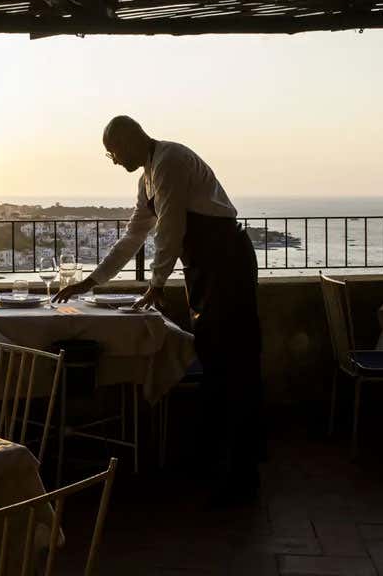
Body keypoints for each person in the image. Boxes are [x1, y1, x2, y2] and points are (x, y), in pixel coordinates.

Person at [54, 115, 263, 501]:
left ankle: (239, 470)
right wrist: (93, 280)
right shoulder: (146, 176)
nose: (114, 161)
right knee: (217, 360)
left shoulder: (169, 161)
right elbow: (135, 235)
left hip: (226, 265)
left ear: (132, 140)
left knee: (233, 364)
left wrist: (157, 284)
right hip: (205, 268)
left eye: (114, 152)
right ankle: (220, 462)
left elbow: (171, 228)